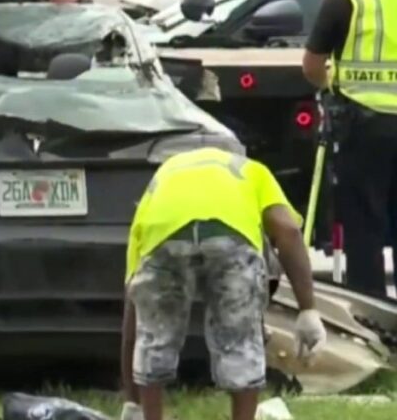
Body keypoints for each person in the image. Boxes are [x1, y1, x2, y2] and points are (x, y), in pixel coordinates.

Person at [119, 147, 326, 420]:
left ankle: (148, 416)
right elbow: (286, 229)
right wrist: (307, 309)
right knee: (240, 342)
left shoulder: (162, 179)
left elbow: (134, 324)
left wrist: (133, 403)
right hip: (232, 234)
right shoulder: (252, 170)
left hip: (161, 234)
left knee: (154, 339)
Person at [302, 0, 397, 300]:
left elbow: (312, 64)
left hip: (364, 126)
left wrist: (330, 87)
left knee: (364, 224)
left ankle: (373, 314)